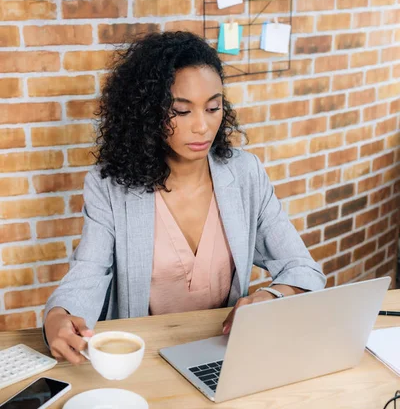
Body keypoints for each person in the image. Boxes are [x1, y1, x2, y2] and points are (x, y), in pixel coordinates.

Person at [44, 31, 326, 364]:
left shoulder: (245, 174)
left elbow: (303, 268)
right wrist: (57, 316)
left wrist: (273, 295)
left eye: (212, 107)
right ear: (148, 113)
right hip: (143, 357)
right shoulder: (110, 186)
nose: (202, 127)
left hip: (228, 353)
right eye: (181, 111)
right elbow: (88, 272)